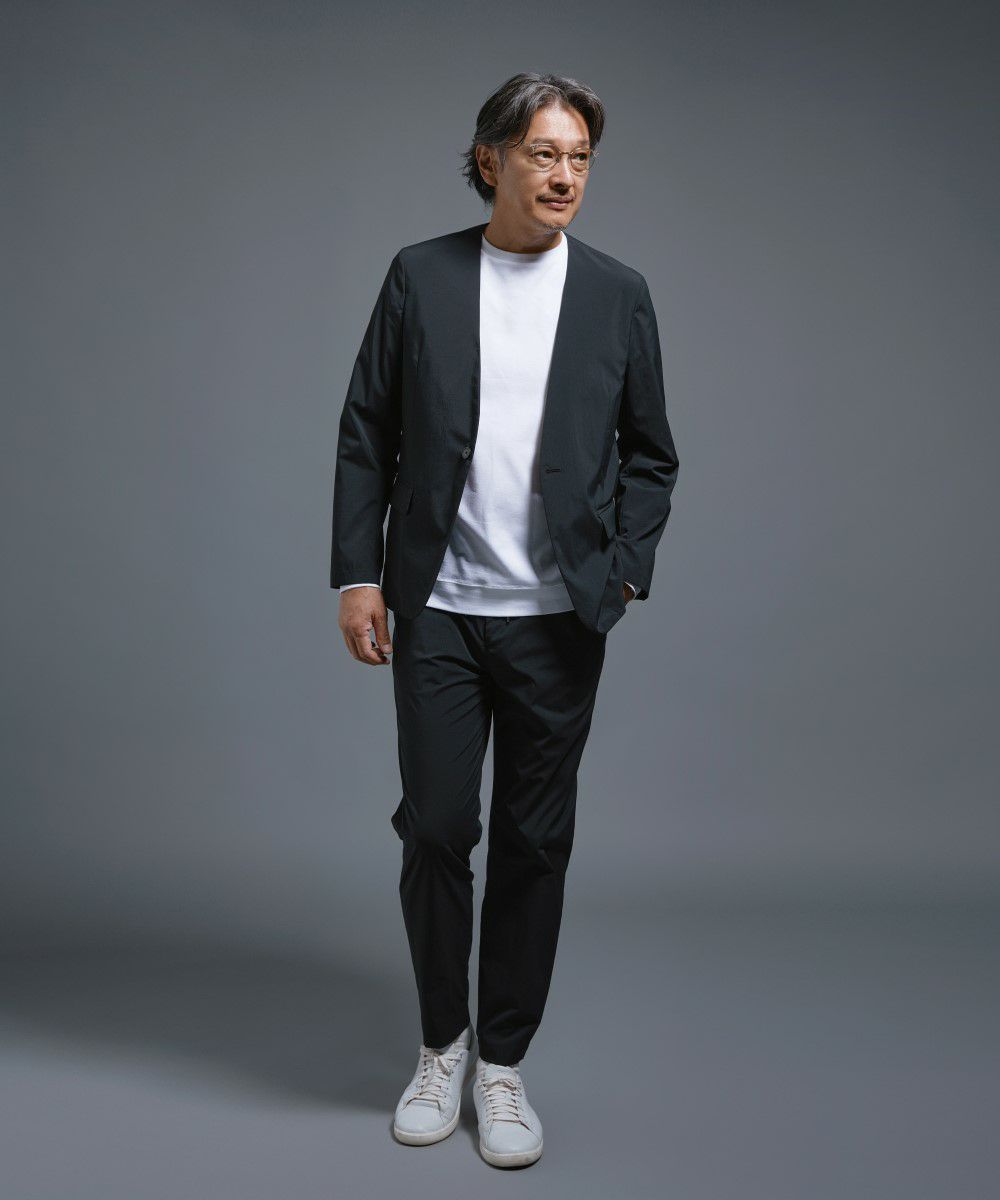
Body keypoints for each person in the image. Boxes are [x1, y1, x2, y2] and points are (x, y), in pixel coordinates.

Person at [330, 71, 679, 1168]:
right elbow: (366, 427)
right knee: (438, 828)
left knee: (535, 842)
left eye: (579, 157)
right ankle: (442, 1046)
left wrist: (622, 575)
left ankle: (503, 1066)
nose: (565, 174)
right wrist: (356, 575)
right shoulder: (421, 275)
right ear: (491, 159)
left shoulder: (617, 292)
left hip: (558, 620)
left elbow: (651, 455)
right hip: (436, 606)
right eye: (543, 153)